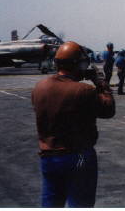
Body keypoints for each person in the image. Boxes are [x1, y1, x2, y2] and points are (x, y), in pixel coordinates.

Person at [31, 41, 115, 207]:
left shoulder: (39, 88)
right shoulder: (84, 90)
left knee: (51, 203)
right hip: (78, 157)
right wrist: (100, 82)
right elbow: (108, 110)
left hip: (48, 157)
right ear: (78, 64)